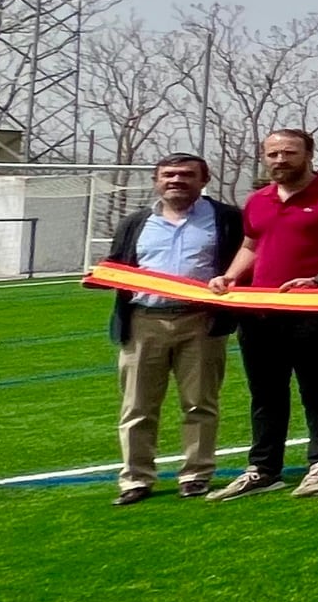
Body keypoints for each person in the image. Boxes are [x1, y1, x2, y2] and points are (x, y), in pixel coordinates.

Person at [205, 128, 318, 501]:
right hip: (258, 310)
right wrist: (231, 274)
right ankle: (263, 468)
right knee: (266, 392)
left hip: (312, 309)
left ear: (308, 154)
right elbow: (252, 244)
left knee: (316, 386)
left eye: (289, 153)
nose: (280, 160)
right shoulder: (258, 200)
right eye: (272, 154)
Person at [104, 153, 243, 504]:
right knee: (137, 406)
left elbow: (244, 263)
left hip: (200, 321)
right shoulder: (135, 222)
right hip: (143, 322)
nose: (176, 181)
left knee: (199, 404)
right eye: (168, 175)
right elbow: (116, 267)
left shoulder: (226, 219)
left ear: (203, 179)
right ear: (156, 180)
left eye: (185, 175)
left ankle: (196, 474)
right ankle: (135, 479)